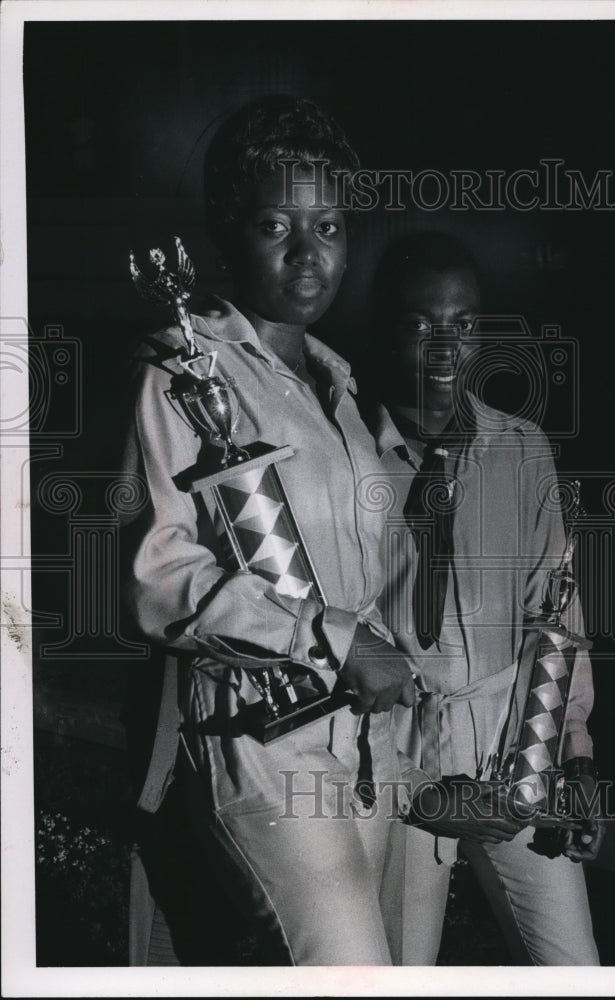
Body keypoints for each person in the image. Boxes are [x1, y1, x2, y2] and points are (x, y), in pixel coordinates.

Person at [120, 96, 427, 967]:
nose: (309, 251)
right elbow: (159, 577)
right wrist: (329, 638)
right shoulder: (184, 369)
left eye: (328, 224)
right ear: (226, 230)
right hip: (263, 742)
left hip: (368, 744)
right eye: (275, 225)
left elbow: (375, 568)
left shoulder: (337, 382)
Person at [367, 231, 604, 965]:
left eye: (463, 326)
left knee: (574, 968)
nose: (443, 350)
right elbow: (339, 648)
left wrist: (573, 757)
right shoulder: (342, 455)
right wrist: (421, 790)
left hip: (516, 761)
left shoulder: (523, 449)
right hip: (408, 778)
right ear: (382, 327)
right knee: (399, 971)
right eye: (418, 325)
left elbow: (556, 617)